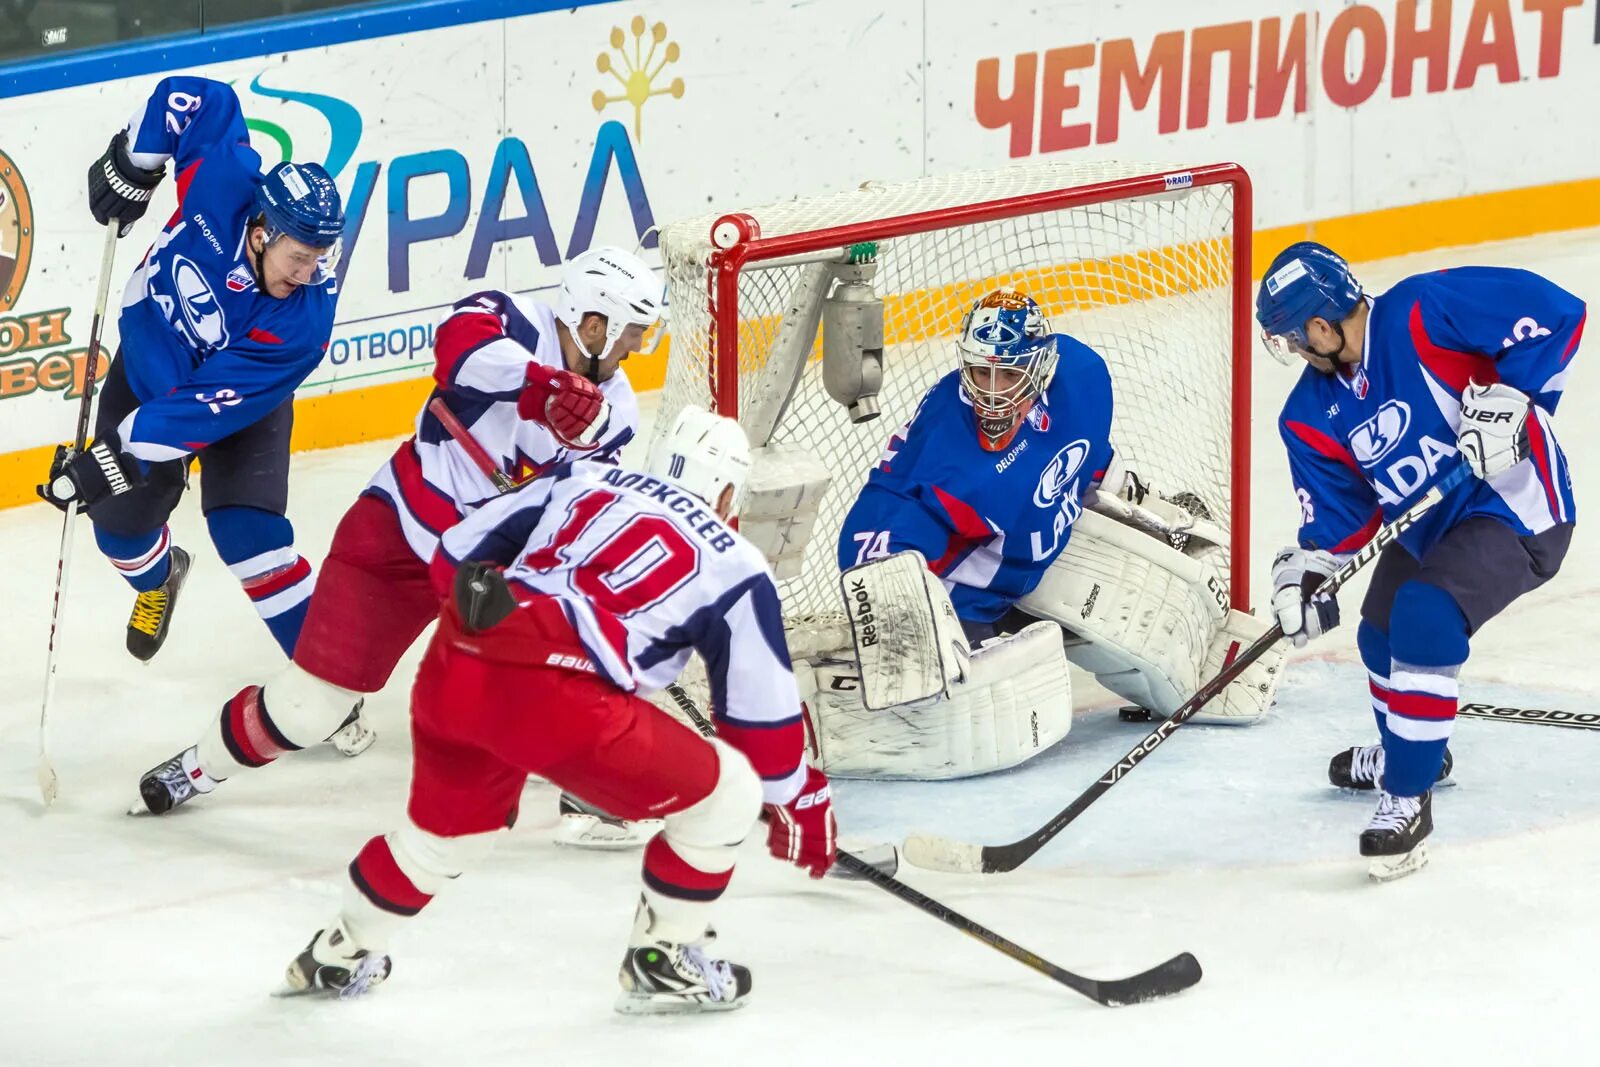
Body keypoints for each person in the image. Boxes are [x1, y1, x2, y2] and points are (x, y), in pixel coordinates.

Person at [278, 408, 837, 1013]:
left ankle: (339, 951)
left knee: (445, 840)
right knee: (727, 797)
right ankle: (664, 955)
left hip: (459, 660)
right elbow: (764, 732)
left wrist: (506, 637)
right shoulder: (737, 564)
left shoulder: (583, 479)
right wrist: (796, 797)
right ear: (729, 491)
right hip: (564, 701)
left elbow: (453, 556)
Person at [133, 246, 660, 817]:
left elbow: (578, 511)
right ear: (593, 324)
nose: (636, 347)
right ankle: (197, 768)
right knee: (311, 709)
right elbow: (457, 350)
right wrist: (543, 384)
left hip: (486, 571)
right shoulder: (509, 317)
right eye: (632, 331)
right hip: (398, 539)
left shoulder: (617, 411)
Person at [813, 289, 1278, 782]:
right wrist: (909, 621)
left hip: (1023, 556)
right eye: (980, 372)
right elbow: (873, 546)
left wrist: (1150, 512)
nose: (992, 391)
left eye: (1009, 373)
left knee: (1133, 633)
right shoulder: (954, 463)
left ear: (1040, 367)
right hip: (965, 593)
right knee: (965, 708)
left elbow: (1083, 456)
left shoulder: (1081, 376)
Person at [1256, 241, 1582, 880]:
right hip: (1432, 529)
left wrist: (1516, 400)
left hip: (1518, 508)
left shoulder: (1423, 311)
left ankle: (1406, 795)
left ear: (1321, 327)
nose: (1294, 350)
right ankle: (1417, 752)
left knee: (1425, 614)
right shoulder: (1307, 415)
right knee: (1379, 630)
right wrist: (1311, 570)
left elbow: (1557, 313)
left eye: (1295, 337)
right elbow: (1346, 521)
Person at [39, 76, 342, 663]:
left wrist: (115, 456)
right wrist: (135, 161)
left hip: (240, 409)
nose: (308, 273)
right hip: (149, 368)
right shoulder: (225, 182)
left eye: (319, 258)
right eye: (299, 257)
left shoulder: (301, 325)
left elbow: (203, 405)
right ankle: (162, 579)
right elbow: (198, 99)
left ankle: (326, 678)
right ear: (261, 231)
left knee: (250, 540)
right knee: (119, 534)